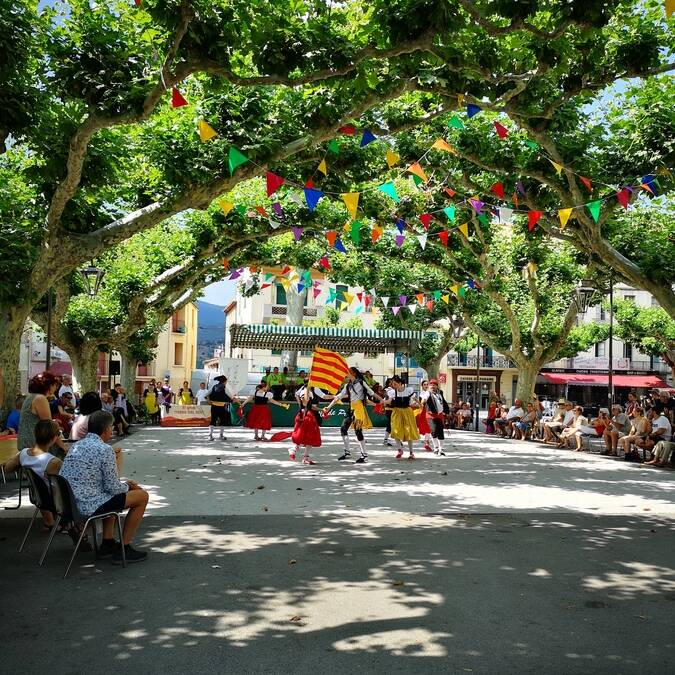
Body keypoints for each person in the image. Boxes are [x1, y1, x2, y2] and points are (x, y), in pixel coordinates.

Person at [59, 410, 149, 563]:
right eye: (112, 427)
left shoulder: (76, 446)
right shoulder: (105, 449)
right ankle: (124, 548)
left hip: (68, 503)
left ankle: (107, 543)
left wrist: (124, 486)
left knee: (111, 495)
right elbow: (113, 487)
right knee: (142, 496)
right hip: (86, 504)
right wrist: (130, 486)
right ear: (107, 429)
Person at [3, 420, 63, 530]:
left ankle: (50, 521)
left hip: (37, 496)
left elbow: (7, 468)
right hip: (55, 501)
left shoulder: (23, 454)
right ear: (54, 438)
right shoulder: (54, 462)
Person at [324, 367, 384, 464]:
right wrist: (328, 407)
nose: (346, 374)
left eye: (349, 372)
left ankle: (364, 455)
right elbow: (339, 396)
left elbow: (371, 392)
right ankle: (347, 452)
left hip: (359, 409)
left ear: (354, 374)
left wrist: (381, 400)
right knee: (343, 429)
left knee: (358, 431)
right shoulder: (348, 385)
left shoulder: (361, 382)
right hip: (351, 408)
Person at [18, 371, 68, 459]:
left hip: (24, 441)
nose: (56, 388)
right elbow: (50, 429)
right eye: (54, 385)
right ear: (48, 386)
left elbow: (36, 419)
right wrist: (64, 447)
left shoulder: (30, 396)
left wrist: (52, 422)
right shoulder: (40, 399)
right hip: (34, 443)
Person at [290, 379, 332, 461]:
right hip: (306, 416)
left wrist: (321, 410)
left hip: (308, 414)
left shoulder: (307, 391)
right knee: (306, 435)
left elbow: (309, 406)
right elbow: (305, 403)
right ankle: (294, 450)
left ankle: (303, 456)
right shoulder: (305, 391)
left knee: (308, 436)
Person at [385, 376, 420, 460]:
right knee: (395, 431)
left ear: (400, 383)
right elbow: (389, 401)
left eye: (395, 384)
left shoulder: (408, 390)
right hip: (397, 412)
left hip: (407, 412)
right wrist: (382, 402)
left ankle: (411, 453)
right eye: (393, 384)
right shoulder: (392, 392)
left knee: (409, 432)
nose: (393, 385)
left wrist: (419, 404)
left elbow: (415, 399)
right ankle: (399, 450)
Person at [426, 379, 450, 456]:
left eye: (434, 385)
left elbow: (443, 401)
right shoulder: (427, 393)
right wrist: (422, 402)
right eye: (431, 385)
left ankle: (441, 449)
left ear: (437, 386)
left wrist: (447, 411)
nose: (432, 386)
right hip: (430, 415)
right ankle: (435, 447)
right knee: (433, 430)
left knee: (440, 431)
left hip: (439, 415)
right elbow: (424, 399)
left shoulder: (440, 393)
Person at [206, 375, 233, 441]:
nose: (226, 382)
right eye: (226, 381)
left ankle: (210, 435)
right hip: (221, 407)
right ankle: (221, 435)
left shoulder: (214, 386)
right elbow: (231, 397)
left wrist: (209, 401)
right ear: (224, 381)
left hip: (214, 406)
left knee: (213, 420)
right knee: (223, 421)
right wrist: (234, 400)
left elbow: (207, 395)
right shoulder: (225, 388)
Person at [416, 380, 434, 452]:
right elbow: (421, 403)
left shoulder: (430, 392)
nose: (426, 386)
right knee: (428, 427)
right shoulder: (422, 394)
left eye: (427, 384)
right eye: (424, 385)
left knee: (428, 428)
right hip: (424, 412)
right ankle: (427, 442)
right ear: (422, 386)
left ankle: (427, 442)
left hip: (429, 412)